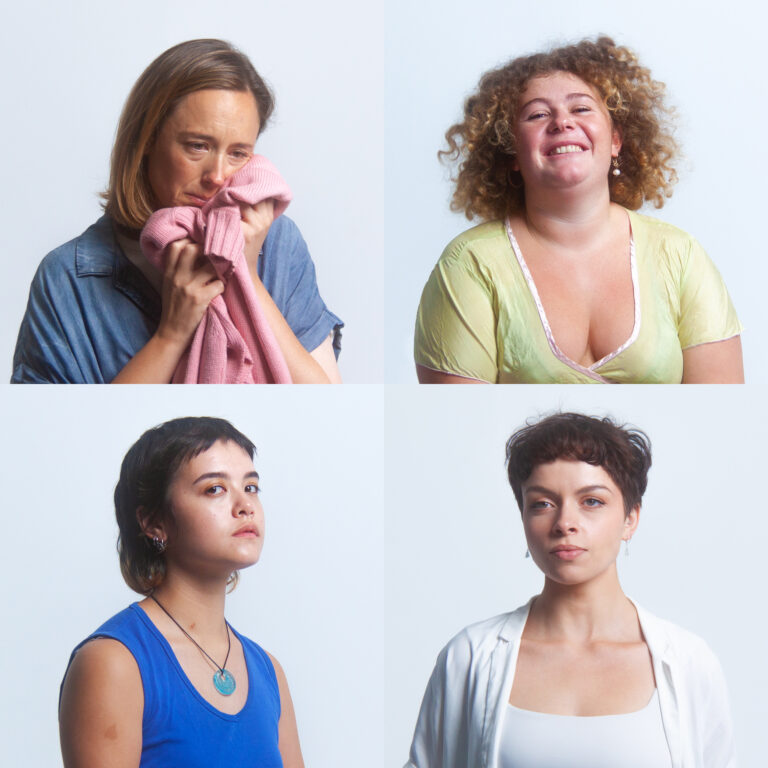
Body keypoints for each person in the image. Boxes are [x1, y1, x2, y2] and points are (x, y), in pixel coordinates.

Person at [406, 413, 735, 767]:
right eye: (542, 504)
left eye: (592, 501)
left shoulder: (688, 662)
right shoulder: (469, 657)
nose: (565, 523)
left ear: (631, 518)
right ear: (523, 517)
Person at [414, 37, 743, 383]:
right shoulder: (469, 264)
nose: (562, 122)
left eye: (581, 108)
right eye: (538, 114)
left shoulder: (681, 255)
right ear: (510, 153)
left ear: (616, 139)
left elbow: (720, 414)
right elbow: (460, 423)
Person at [12, 39, 342, 383]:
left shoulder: (279, 243)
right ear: (146, 142)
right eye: (197, 146)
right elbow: (68, 430)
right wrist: (170, 335)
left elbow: (329, 409)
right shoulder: (68, 277)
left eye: (238, 153)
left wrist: (248, 277)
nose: (217, 177)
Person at [59, 417, 304, 767]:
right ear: (153, 522)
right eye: (214, 489)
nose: (245, 506)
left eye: (251, 487)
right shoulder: (113, 664)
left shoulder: (269, 673)